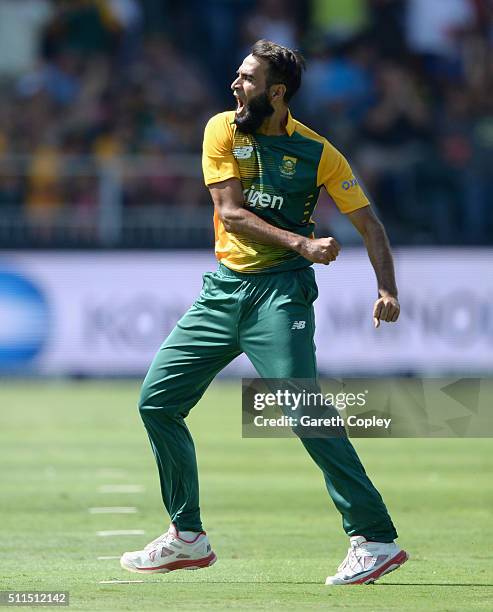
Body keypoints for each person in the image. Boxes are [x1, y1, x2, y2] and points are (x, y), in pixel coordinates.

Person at [120, 39, 408, 586]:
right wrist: (303, 244)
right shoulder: (222, 129)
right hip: (223, 291)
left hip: (281, 295)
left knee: (302, 409)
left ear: (277, 92)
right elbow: (230, 214)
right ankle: (187, 536)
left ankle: (374, 538)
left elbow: (370, 225)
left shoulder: (319, 153)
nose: (236, 85)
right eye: (237, 75)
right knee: (156, 403)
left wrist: (387, 289)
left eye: (247, 79)